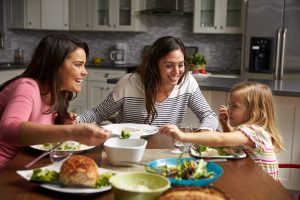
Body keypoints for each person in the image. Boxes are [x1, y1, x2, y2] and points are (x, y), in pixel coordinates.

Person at [0, 34, 111, 169]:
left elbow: (39, 126)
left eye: (84, 65)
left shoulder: (57, 92)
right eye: (78, 65)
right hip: (6, 169)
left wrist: (61, 122)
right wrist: (71, 131)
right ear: (55, 65)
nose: (85, 72)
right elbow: (7, 129)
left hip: (28, 163)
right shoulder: (27, 87)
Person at [77, 36, 218, 130]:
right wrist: (75, 121)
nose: (177, 72)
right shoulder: (129, 83)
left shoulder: (188, 82)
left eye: (181, 65)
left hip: (166, 150)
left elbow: (208, 115)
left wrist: (203, 131)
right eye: (169, 65)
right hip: (128, 147)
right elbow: (98, 113)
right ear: (154, 65)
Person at [159, 82, 284, 180]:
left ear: (255, 112)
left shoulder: (255, 132)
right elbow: (232, 142)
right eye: (229, 104)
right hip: (251, 179)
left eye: (234, 106)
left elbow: (221, 140)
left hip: (261, 187)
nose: (229, 110)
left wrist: (183, 136)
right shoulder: (252, 131)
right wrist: (225, 124)